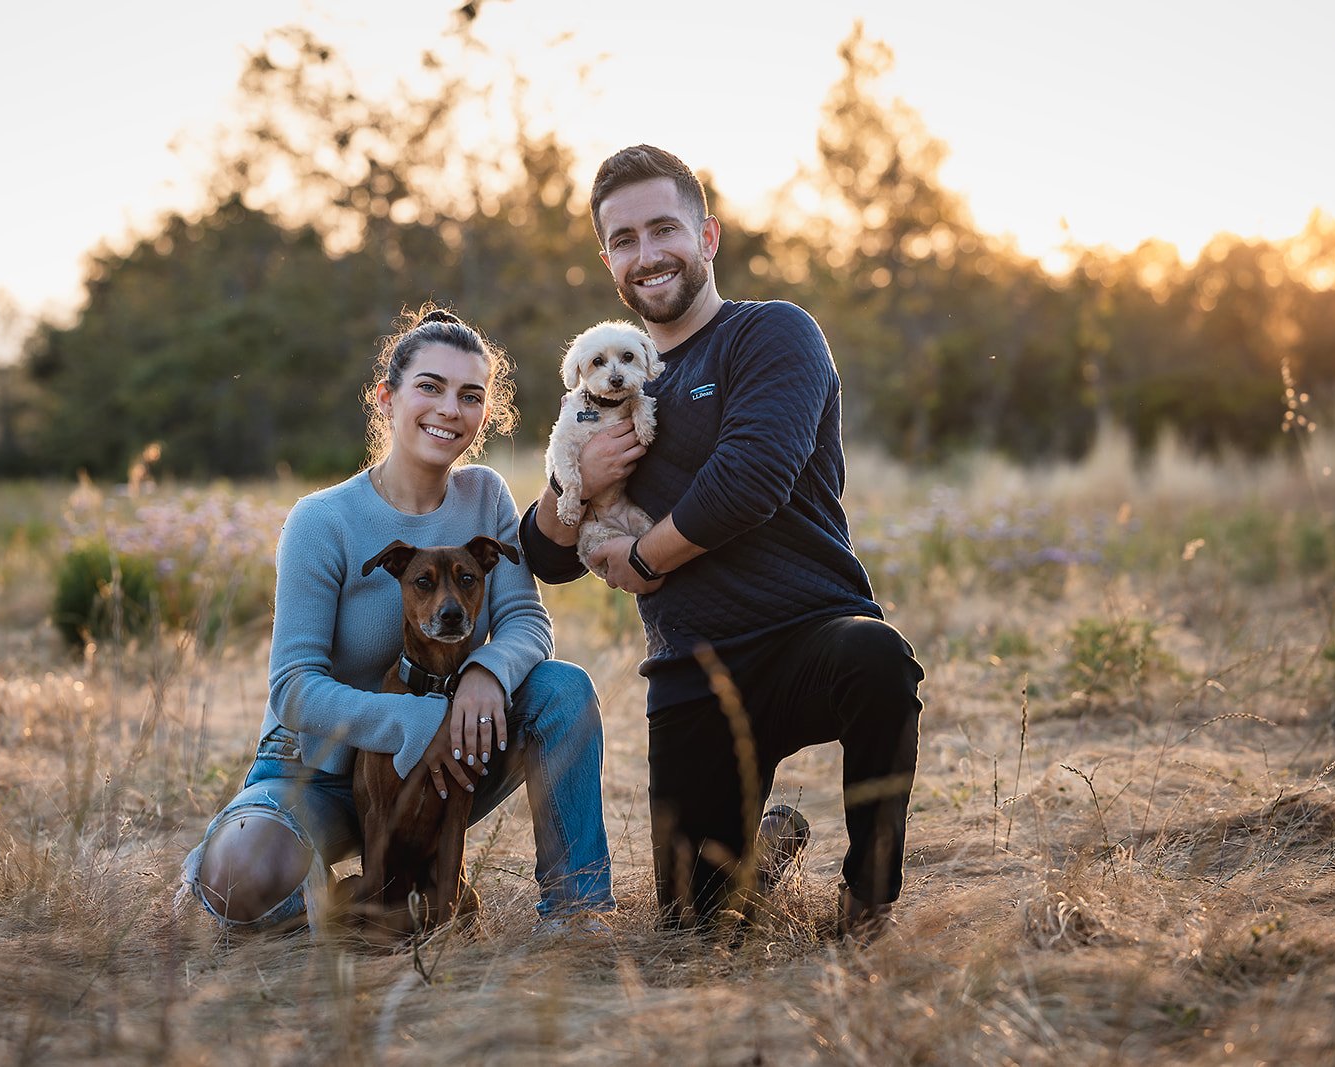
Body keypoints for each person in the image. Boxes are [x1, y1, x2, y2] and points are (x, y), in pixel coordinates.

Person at [520, 145, 925, 942]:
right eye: (625, 240)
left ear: (706, 237)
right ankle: (764, 850)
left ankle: (868, 895)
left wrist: (642, 560)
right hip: (691, 668)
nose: (648, 254)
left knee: (879, 659)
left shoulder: (772, 333)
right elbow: (548, 557)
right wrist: (578, 484)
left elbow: (751, 479)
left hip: (809, 632)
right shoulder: (606, 384)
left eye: (663, 228)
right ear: (608, 260)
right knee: (694, 929)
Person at [181, 305, 615, 936]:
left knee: (563, 689)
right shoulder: (322, 520)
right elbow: (293, 686)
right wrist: (419, 718)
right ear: (387, 397)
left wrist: (487, 675)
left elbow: (526, 620)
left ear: (485, 415)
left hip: (444, 767)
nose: (449, 409)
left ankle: (576, 916)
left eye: (470, 396)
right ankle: (251, 862)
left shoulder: (485, 496)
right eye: (430, 387)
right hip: (320, 772)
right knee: (242, 879)